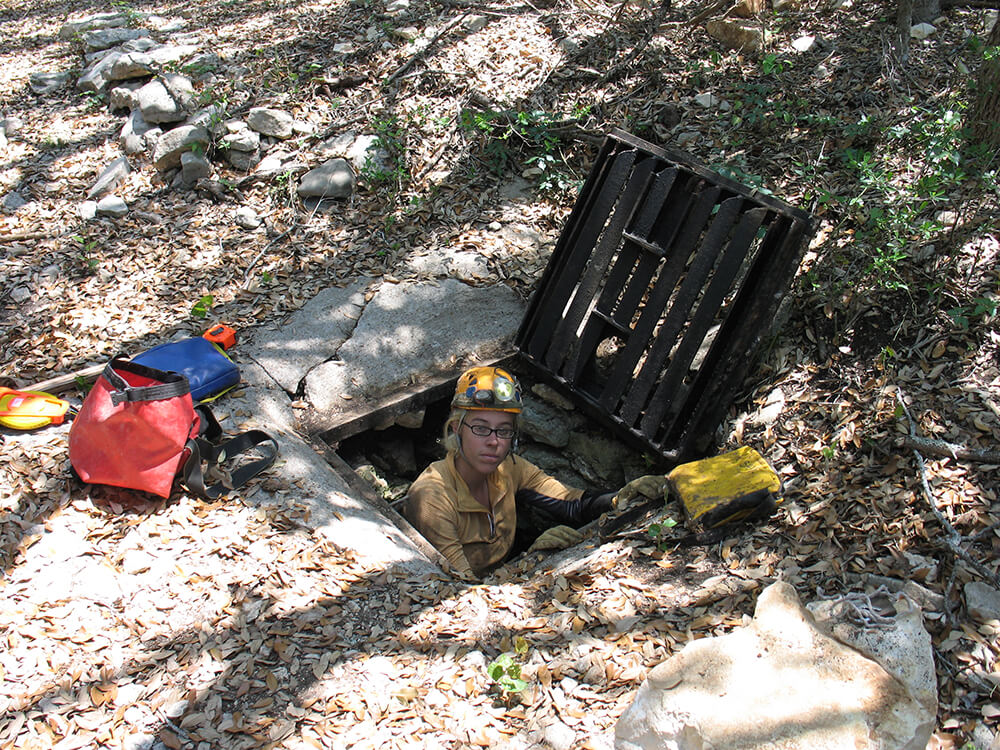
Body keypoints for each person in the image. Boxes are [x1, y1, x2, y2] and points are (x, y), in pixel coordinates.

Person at [404, 366, 658, 579]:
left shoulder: (508, 469)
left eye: (504, 430)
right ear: (456, 429)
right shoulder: (433, 497)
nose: (494, 441)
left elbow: (572, 503)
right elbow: (462, 589)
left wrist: (620, 498)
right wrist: (530, 561)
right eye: (481, 428)